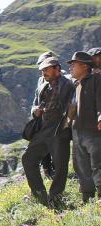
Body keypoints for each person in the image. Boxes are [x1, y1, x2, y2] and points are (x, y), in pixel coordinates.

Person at [22, 57, 74, 207]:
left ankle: (55, 198)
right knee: (28, 159)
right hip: (43, 129)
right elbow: (34, 105)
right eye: (42, 70)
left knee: (60, 166)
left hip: (59, 130)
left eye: (46, 69)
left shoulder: (68, 84)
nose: (43, 72)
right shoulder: (43, 85)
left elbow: (73, 105)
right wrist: (35, 112)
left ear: (57, 69)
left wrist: (67, 125)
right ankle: (40, 195)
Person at [68, 51, 101, 202]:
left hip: (93, 131)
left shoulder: (96, 80)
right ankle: (88, 199)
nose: (70, 68)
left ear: (85, 66)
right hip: (77, 132)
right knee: (81, 166)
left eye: (73, 65)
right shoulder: (75, 85)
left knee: (97, 164)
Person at [36, 51, 58, 179]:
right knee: (44, 151)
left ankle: (58, 174)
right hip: (42, 122)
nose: (42, 71)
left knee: (56, 151)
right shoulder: (40, 81)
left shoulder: (63, 79)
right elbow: (36, 101)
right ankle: (48, 173)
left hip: (56, 124)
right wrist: (35, 110)